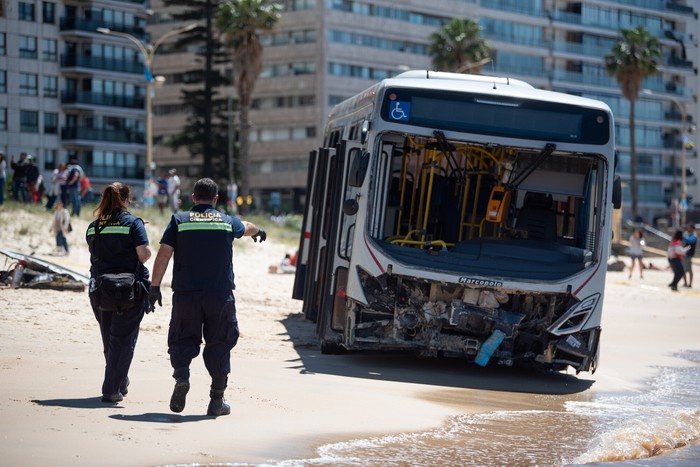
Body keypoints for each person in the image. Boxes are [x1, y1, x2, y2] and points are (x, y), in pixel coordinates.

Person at [148, 177, 266, 417]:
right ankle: (216, 401)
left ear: (193, 198)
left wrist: (154, 286)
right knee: (220, 344)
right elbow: (247, 225)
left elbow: (164, 254)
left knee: (182, 339)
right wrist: (258, 232)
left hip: (186, 294)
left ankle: (182, 375)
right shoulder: (226, 221)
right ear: (215, 199)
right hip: (219, 295)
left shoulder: (179, 220)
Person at [86, 182, 152, 403]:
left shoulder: (93, 226)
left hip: (99, 289)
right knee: (123, 340)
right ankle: (111, 388)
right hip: (128, 290)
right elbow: (143, 255)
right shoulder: (133, 223)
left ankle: (120, 381)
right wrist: (140, 231)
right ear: (125, 200)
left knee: (109, 338)